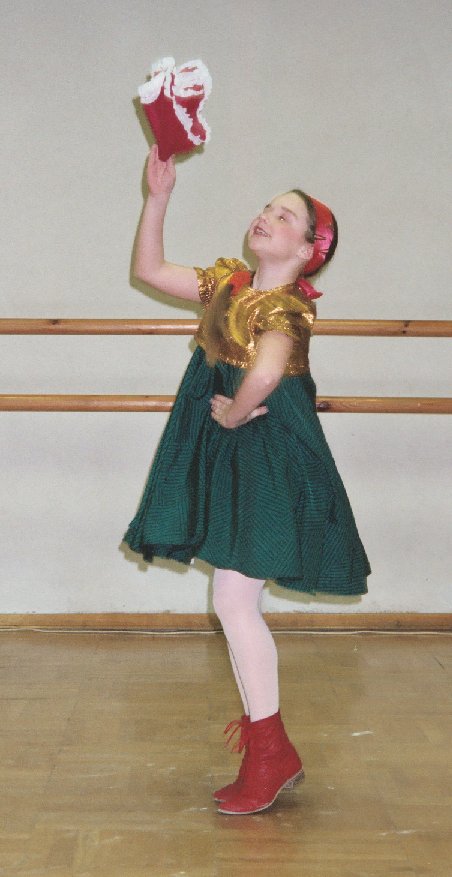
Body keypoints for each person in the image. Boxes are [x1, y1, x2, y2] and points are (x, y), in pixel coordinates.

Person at [123, 144, 371, 815]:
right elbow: (149, 269)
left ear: (309, 250)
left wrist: (233, 412)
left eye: (285, 215)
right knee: (233, 599)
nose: (266, 215)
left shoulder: (285, 306)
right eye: (266, 207)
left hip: (268, 453)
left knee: (234, 599)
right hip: (239, 450)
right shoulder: (231, 286)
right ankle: (270, 749)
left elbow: (265, 371)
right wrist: (158, 198)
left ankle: (269, 751)